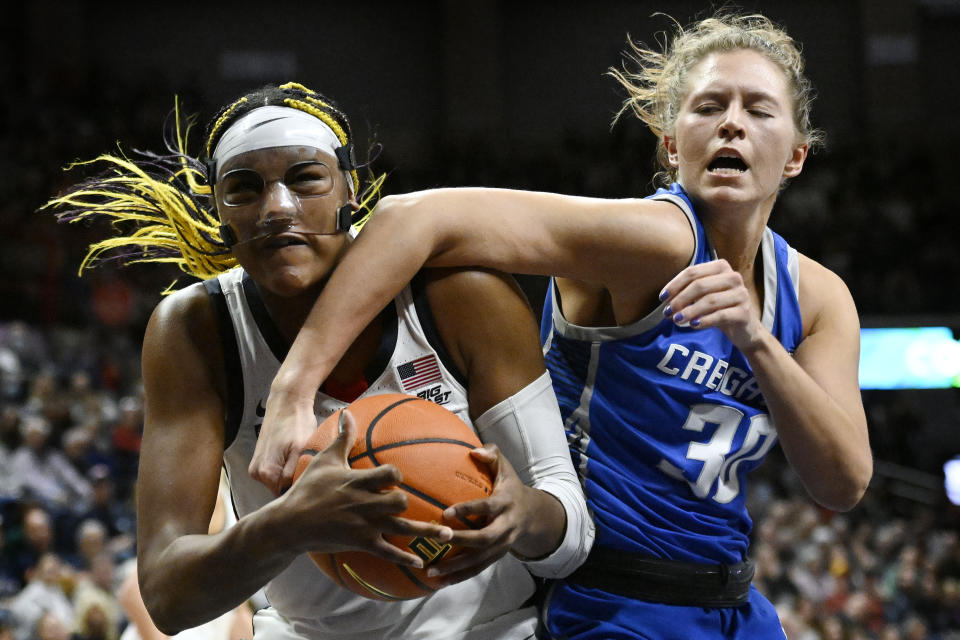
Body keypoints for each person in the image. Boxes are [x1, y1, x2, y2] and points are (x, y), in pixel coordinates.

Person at [248, 13, 873, 639]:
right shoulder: (654, 241)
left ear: (795, 156)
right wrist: (293, 389)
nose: (732, 121)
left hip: (733, 600)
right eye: (709, 106)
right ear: (672, 145)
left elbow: (843, 483)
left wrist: (756, 340)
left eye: (759, 110)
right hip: (604, 597)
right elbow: (412, 218)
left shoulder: (817, 295)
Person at [43, 82, 592, 639]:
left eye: (306, 178)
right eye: (244, 188)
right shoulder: (195, 329)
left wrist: (522, 516)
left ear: (349, 190)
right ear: (218, 212)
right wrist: (288, 524)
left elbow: (570, 540)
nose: (277, 208)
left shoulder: (460, 294)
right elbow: (166, 596)